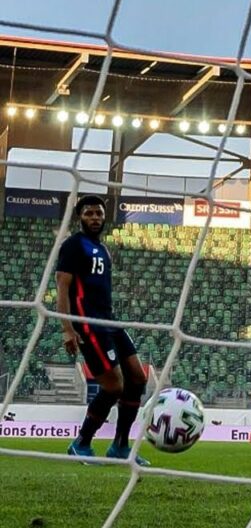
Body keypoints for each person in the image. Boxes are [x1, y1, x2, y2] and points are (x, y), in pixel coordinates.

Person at [61, 195, 150, 465]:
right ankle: (81, 443)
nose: (95, 218)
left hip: (110, 321)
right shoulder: (73, 245)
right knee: (113, 386)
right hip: (88, 324)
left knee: (138, 378)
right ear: (80, 217)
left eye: (99, 213)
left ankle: (120, 446)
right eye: (89, 213)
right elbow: (63, 287)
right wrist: (67, 328)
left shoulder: (103, 248)